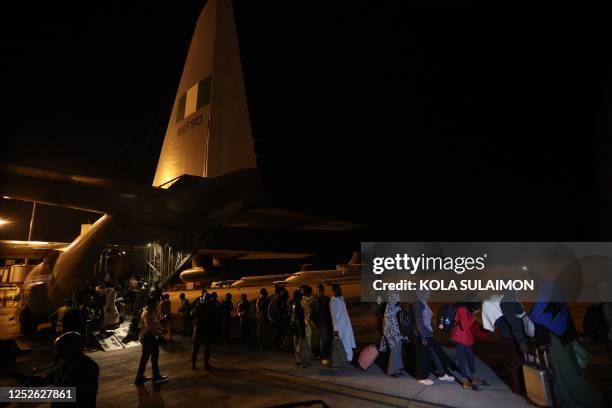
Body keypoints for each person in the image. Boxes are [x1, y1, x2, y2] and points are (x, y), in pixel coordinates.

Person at [530, 282, 603, 407]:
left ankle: (573, 401)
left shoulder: (541, 306)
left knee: (563, 373)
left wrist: (541, 343)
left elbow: (540, 324)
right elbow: (569, 321)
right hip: (566, 340)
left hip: (555, 343)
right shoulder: (558, 303)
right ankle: (583, 399)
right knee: (573, 371)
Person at [11, 331, 99, 407]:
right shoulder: (65, 363)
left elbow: (68, 394)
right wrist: (14, 375)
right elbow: (43, 381)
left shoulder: (87, 370)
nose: (55, 354)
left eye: (58, 351)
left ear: (68, 352)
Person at [482, 293, 527, 394]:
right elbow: (515, 321)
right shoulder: (508, 301)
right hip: (512, 336)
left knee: (513, 359)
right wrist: (521, 341)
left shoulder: (494, 302)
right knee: (518, 360)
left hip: (505, 336)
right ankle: (518, 387)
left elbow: (494, 321)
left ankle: (517, 385)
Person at [414, 290, 455, 384]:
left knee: (435, 354)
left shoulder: (424, 303)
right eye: (426, 292)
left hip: (428, 334)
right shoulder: (419, 304)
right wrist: (423, 338)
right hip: (422, 335)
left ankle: (442, 374)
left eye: (429, 292)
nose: (428, 294)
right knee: (423, 357)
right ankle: (422, 378)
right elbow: (419, 323)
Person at [451, 303, 484, 390]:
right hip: (460, 338)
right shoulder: (462, 309)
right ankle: (465, 381)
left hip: (467, 337)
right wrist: (473, 317)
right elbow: (464, 326)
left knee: (470, 357)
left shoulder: (467, 309)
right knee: (462, 359)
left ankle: (474, 379)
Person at [135, 298, 168, 384]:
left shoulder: (147, 311)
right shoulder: (148, 313)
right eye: (155, 304)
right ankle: (154, 375)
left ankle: (140, 376)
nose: (156, 305)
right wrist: (160, 332)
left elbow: (153, 324)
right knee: (153, 356)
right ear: (151, 304)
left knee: (146, 357)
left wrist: (159, 328)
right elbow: (150, 327)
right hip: (149, 337)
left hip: (146, 337)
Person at [379, 292, 404, 378]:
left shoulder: (393, 306)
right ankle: (391, 371)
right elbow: (389, 322)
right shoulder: (390, 307)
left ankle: (396, 369)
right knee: (395, 351)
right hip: (391, 333)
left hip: (395, 332)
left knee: (398, 350)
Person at [329, 284, 356, 362]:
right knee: (344, 343)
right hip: (340, 327)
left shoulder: (340, 299)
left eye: (339, 289)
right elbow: (333, 316)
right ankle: (345, 360)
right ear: (334, 291)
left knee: (348, 342)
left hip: (346, 325)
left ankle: (349, 359)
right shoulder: (333, 301)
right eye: (337, 289)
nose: (339, 290)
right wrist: (335, 330)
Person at [191, 293, 216, 370]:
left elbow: (192, 315)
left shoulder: (198, 306)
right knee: (206, 348)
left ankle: (193, 364)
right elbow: (213, 318)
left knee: (195, 348)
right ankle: (206, 364)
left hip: (198, 329)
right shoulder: (210, 307)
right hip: (206, 330)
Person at [311, 284, 332, 359]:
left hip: (328, 322)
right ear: (317, 291)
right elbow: (312, 313)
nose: (320, 292)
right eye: (319, 291)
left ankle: (325, 353)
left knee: (326, 338)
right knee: (323, 338)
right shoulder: (314, 300)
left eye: (322, 290)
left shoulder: (328, 299)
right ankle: (323, 354)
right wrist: (314, 323)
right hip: (319, 322)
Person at [291, 290, 312, 367]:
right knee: (301, 346)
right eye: (300, 295)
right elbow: (299, 319)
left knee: (296, 344)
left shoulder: (293, 303)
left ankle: (299, 360)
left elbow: (293, 316)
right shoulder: (298, 305)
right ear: (298, 296)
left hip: (294, 326)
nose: (302, 296)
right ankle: (302, 361)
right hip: (298, 327)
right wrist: (302, 332)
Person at [268, 285, 289, 351]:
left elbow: (269, 306)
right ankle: (281, 346)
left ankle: (276, 346)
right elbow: (286, 297)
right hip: (279, 317)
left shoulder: (272, 297)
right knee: (282, 332)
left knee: (276, 332)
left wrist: (269, 316)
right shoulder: (280, 297)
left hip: (274, 317)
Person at [300, 285, 317, 352]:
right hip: (306, 321)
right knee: (308, 337)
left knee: (313, 337)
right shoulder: (302, 299)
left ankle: (312, 350)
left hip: (312, 321)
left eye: (304, 290)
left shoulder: (313, 299)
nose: (302, 292)